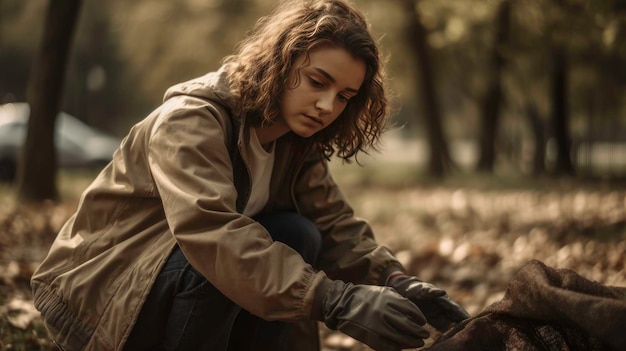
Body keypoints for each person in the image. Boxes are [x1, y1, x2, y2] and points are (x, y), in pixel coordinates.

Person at [31, 0, 469, 350]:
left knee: (300, 234)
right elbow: (213, 233)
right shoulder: (191, 121)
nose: (327, 106)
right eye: (318, 81)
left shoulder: (296, 141)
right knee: (225, 256)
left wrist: (394, 280)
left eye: (344, 96)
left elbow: (334, 223)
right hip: (98, 295)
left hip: (170, 282)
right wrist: (334, 300)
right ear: (280, 62)